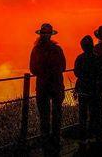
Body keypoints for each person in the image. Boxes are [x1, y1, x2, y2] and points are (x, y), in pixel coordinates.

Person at [29, 23, 66, 154]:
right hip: (56, 85)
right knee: (56, 115)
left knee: (44, 117)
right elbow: (63, 67)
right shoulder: (57, 49)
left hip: (43, 86)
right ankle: (56, 140)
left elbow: (32, 69)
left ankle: (45, 143)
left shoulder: (36, 50)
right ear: (50, 35)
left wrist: (43, 74)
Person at [74, 35, 98, 152]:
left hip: (83, 91)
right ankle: (93, 136)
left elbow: (77, 73)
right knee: (94, 114)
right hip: (94, 91)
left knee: (82, 115)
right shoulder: (97, 58)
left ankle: (83, 138)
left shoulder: (79, 58)